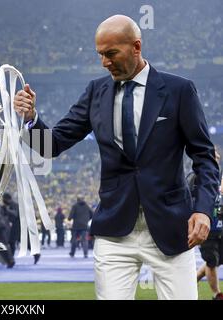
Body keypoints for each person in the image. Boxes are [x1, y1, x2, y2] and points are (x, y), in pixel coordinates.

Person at [14, 15, 219, 299]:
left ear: (136, 46)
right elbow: (52, 145)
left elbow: (205, 157)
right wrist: (30, 120)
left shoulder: (179, 90)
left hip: (172, 228)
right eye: (100, 55)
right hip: (115, 231)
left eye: (111, 54)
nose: (105, 62)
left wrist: (203, 209)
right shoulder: (96, 92)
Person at [190, 151, 223, 300]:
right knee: (211, 261)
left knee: (215, 262)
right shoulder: (195, 177)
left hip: (220, 228)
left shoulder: (220, 177)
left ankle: (192, 280)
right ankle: (217, 295)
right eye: (212, 157)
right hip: (206, 226)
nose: (214, 160)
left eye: (216, 158)